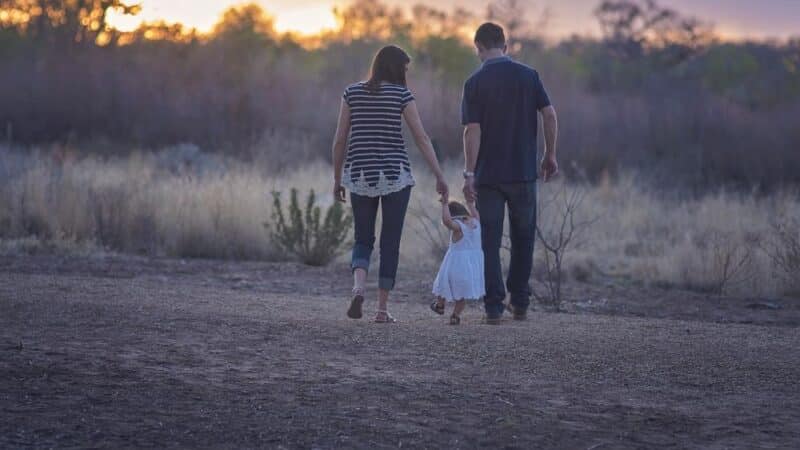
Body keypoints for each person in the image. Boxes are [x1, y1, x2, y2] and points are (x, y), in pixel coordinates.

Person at [331, 45, 448, 323]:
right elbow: (421, 138)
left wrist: (337, 179)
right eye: (405, 68)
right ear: (396, 68)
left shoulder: (352, 93)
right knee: (390, 242)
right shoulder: (401, 95)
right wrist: (439, 175)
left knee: (362, 238)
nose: (406, 73)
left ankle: (359, 288)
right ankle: (382, 310)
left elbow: (339, 139)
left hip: (359, 174)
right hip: (396, 176)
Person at [461, 22, 559, 324]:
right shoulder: (529, 76)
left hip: (489, 176)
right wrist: (549, 154)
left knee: (489, 241)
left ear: (478, 47)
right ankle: (520, 302)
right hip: (523, 173)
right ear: (505, 45)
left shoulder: (474, 83)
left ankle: (493, 306)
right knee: (523, 238)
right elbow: (550, 114)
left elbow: (471, 132)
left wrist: (469, 173)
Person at [430, 197, 485, 325]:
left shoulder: (458, 227)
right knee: (461, 295)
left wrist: (444, 205)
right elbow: (474, 211)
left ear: (453, 216)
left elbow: (447, 221)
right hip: (472, 267)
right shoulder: (476, 222)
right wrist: (470, 203)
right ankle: (455, 315)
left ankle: (440, 305)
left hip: (455, 265)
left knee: (443, 284)